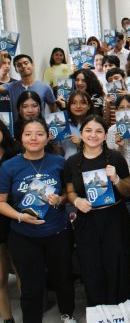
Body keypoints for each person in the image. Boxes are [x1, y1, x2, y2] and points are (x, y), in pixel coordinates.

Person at [0, 118, 77, 323]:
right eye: (28, 134)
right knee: (31, 286)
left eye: (39, 134)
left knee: (63, 279)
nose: (34, 138)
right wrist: (19, 216)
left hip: (58, 232)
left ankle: (67, 315)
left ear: (48, 137)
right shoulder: (9, 167)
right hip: (24, 236)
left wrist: (59, 199)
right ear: (20, 138)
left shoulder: (60, 162)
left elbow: (69, 194)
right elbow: (1, 202)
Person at [64, 115, 130, 307]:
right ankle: (99, 312)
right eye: (88, 130)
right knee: (91, 267)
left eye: (98, 131)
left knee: (118, 265)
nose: (93, 135)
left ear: (105, 136)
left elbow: (128, 191)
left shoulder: (115, 157)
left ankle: (122, 312)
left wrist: (117, 180)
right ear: (81, 133)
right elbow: (69, 190)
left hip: (114, 218)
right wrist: (76, 200)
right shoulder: (72, 162)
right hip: (86, 221)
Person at [0, 120, 19, 323]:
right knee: (1, 275)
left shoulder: (14, 155)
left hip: (16, 215)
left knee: (20, 267)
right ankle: (7, 317)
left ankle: (29, 307)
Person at [59, 90, 93, 160]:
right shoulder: (62, 125)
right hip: (67, 166)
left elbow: (102, 150)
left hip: (90, 167)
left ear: (89, 106)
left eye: (83, 103)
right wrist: (54, 143)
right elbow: (58, 153)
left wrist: (82, 144)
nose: (78, 106)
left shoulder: (95, 125)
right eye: (73, 103)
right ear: (69, 106)